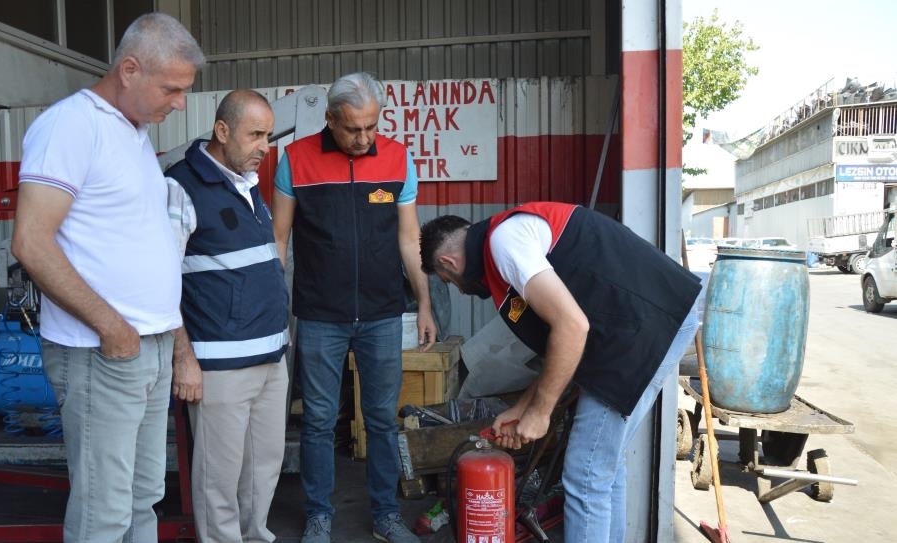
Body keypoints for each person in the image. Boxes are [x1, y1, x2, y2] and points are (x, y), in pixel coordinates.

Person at [10, 13, 204, 543]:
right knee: (104, 510)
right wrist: (113, 328)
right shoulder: (73, 125)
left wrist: (171, 340)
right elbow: (30, 242)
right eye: (173, 89)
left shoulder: (134, 134)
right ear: (130, 69)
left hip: (149, 346)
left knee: (144, 497)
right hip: (105, 351)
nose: (180, 103)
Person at [419, 202, 703, 543]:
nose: (458, 288)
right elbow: (563, 349)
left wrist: (540, 414)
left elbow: (571, 326)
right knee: (601, 471)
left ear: (447, 263)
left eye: (448, 280)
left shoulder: (504, 241)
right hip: (642, 326)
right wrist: (523, 408)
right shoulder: (504, 248)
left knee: (586, 475)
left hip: (642, 328)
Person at [271, 72, 437, 543]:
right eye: (352, 129)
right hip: (320, 315)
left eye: (371, 127)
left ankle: (386, 515)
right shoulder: (295, 161)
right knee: (320, 421)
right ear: (329, 119)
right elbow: (278, 241)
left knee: (382, 420)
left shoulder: (397, 158)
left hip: (384, 314)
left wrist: (423, 303)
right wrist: (274, 309)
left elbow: (409, 239)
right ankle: (319, 515)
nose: (364, 138)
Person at [164, 90, 289, 543]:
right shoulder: (181, 187)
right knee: (218, 477)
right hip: (218, 364)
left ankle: (256, 536)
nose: (264, 146)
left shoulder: (246, 183)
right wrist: (184, 358)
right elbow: (161, 281)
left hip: (270, 356)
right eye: (255, 134)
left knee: (262, 469)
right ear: (222, 131)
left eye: (268, 136)